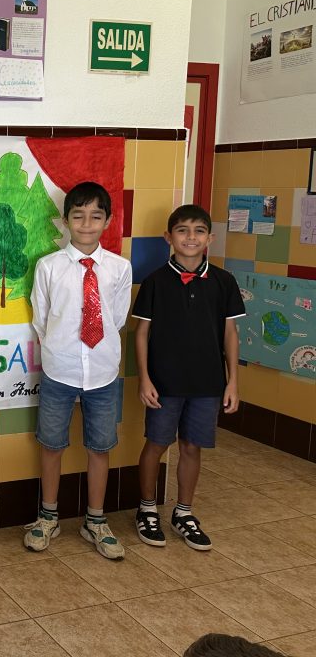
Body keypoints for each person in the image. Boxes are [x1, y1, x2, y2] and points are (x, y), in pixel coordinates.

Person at [24, 182, 132, 560]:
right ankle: (48, 517)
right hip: (59, 372)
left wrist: (93, 348)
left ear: (108, 221)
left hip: (103, 373)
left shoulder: (119, 268)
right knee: (51, 445)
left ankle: (95, 521)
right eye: (78, 215)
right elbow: (41, 319)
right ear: (66, 220)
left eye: (95, 216)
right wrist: (61, 349)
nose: (87, 224)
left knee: (100, 448)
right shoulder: (49, 267)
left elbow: (117, 318)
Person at [132, 205, 245, 551]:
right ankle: (147, 508)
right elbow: (141, 333)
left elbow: (230, 333)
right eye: (182, 230)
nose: (191, 237)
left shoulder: (224, 281)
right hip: (164, 383)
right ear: (169, 237)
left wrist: (232, 381)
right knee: (156, 443)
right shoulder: (155, 281)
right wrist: (145, 378)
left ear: (210, 238)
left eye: (199, 231)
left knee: (192, 446)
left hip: (207, 384)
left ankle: (183, 512)